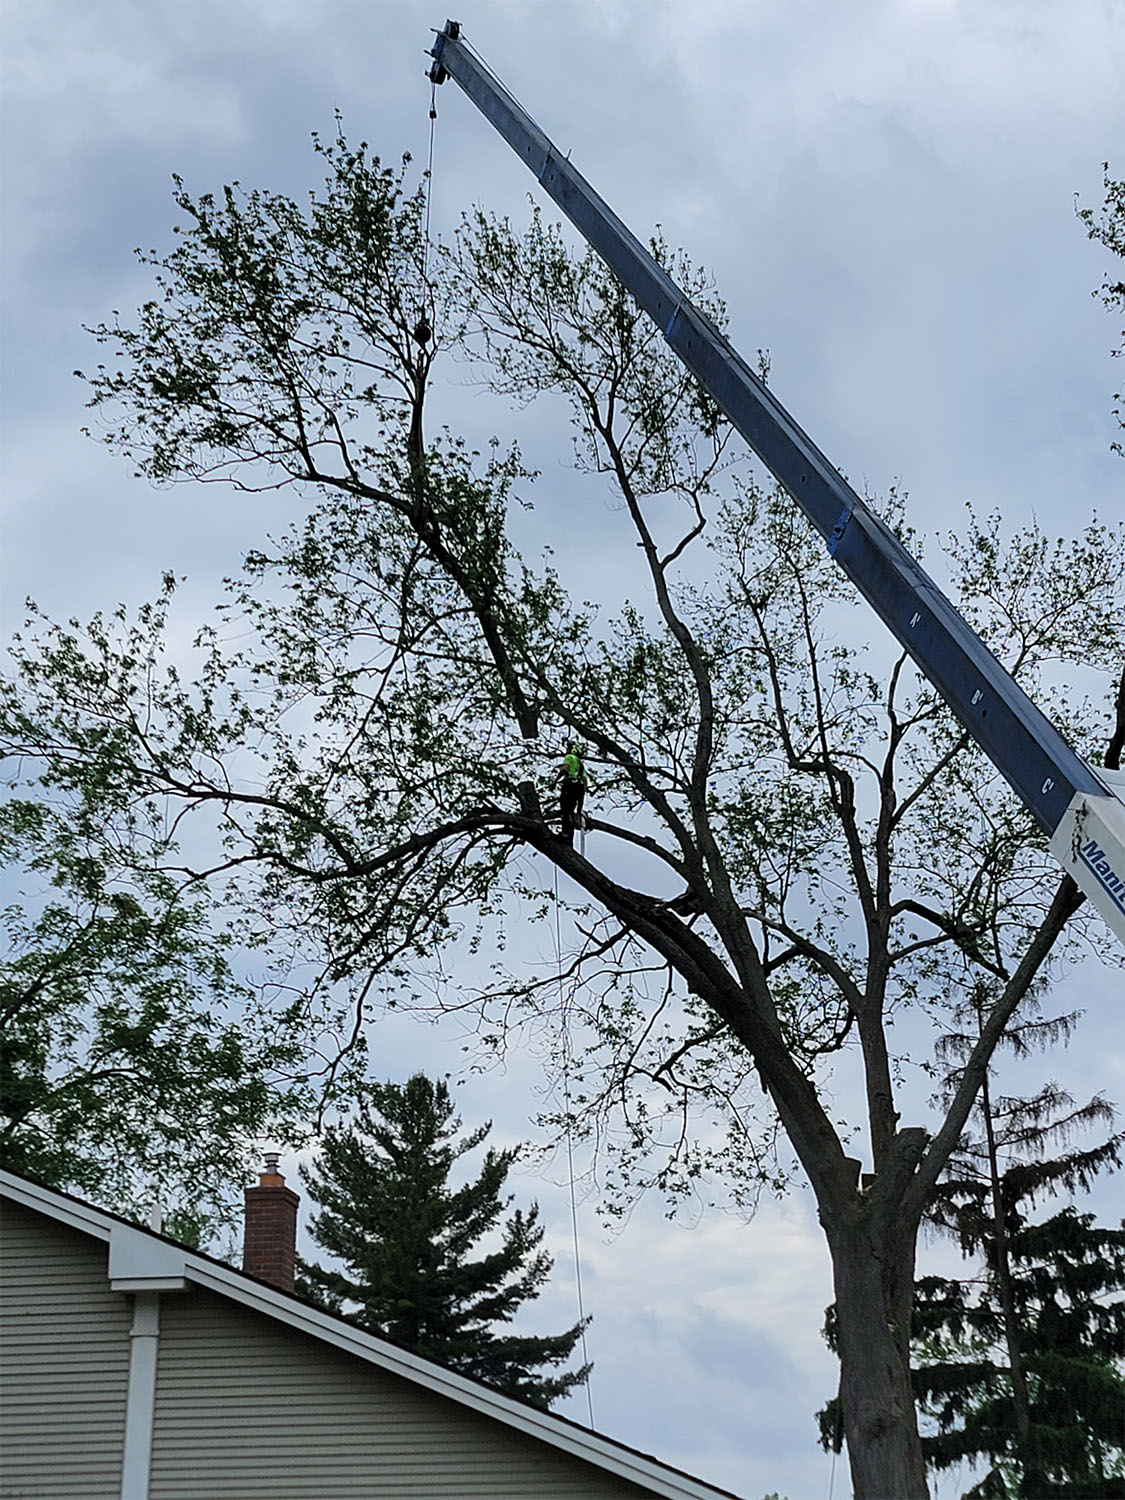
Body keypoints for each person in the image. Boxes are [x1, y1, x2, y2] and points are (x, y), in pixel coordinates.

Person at [556, 742, 587, 847]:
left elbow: (565, 769)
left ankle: (565, 834)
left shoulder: (569, 757)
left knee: (565, 810)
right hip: (578, 788)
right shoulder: (580, 764)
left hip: (569, 785)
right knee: (571, 810)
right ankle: (569, 835)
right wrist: (581, 794)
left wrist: (555, 781)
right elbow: (585, 780)